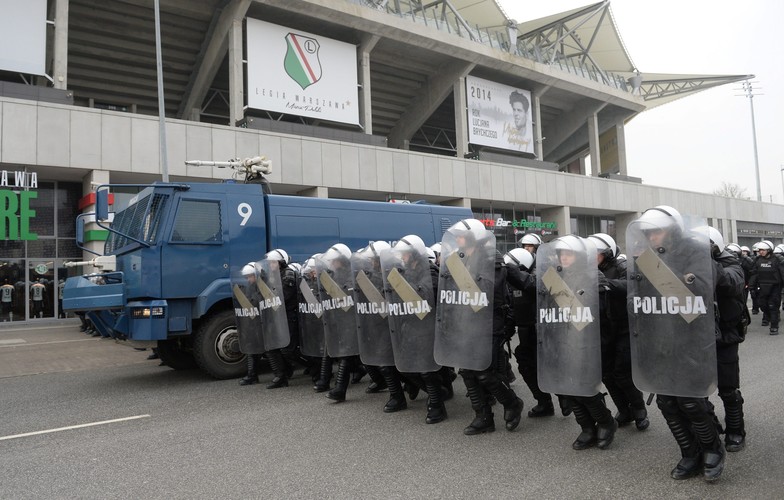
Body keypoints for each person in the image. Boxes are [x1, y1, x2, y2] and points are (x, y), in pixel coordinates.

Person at [629, 205, 725, 481]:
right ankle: (689, 452)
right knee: (667, 402)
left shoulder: (694, 251)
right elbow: (635, 295)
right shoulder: (644, 258)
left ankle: (712, 450)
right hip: (658, 338)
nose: (653, 237)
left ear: (672, 231)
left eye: (657, 231)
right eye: (648, 233)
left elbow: (703, 291)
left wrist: (675, 276)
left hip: (690, 338)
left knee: (691, 401)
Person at [437, 219, 524, 435]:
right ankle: (483, 416)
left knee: (486, 373)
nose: (458, 239)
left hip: (489, 323)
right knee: (467, 371)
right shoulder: (456, 259)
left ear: (473, 237)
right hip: (464, 322)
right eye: (456, 236)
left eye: (462, 236)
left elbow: (487, 293)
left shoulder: (491, 258)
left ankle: (512, 403)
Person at [541, 235, 617, 450]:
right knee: (568, 388)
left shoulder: (593, 276)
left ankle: (605, 422)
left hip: (586, 341)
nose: (564, 258)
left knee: (584, 388)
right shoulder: (553, 277)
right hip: (561, 339)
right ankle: (586, 427)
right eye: (561, 254)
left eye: (569, 254)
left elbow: (599, 313)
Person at [588, 232, 649, 431]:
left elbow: (635, 284)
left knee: (622, 373)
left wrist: (608, 285)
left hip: (624, 327)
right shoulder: (586, 270)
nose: (591, 257)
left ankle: (639, 409)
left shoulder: (621, 267)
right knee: (607, 374)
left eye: (595, 253)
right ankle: (624, 410)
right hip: (601, 328)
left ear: (607, 253)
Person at [707, 229, 748, 454]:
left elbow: (731, 282)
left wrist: (706, 261)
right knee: (696, 390)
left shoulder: (731, 264)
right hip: (696, 336)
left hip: (726, 334)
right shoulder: (687, 263)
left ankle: (736, 430)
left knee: (728, 388)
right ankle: (711, 426)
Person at [503, 247, 554, 417]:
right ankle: (544, 402)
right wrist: (505, 331)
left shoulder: (543, 275)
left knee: (552, 366)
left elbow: (533, 285)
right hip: (526, 332)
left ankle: (565, 396)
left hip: (547, 333)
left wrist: (513, 273)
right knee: (525, 365)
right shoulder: (512, 283)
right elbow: (511, 307)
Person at [749, 240, 783, 335]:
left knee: (773, 306)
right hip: (762, 286)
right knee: (762, 305)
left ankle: (774, 327)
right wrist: (751, 287)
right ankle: (769, 316)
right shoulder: (757, 260)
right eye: (760, 250)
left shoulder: (777, 259)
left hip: (775, 287)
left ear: (769, 250)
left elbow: (782, 273)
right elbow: (754, 274)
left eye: (763, 250)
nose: (761, 252)